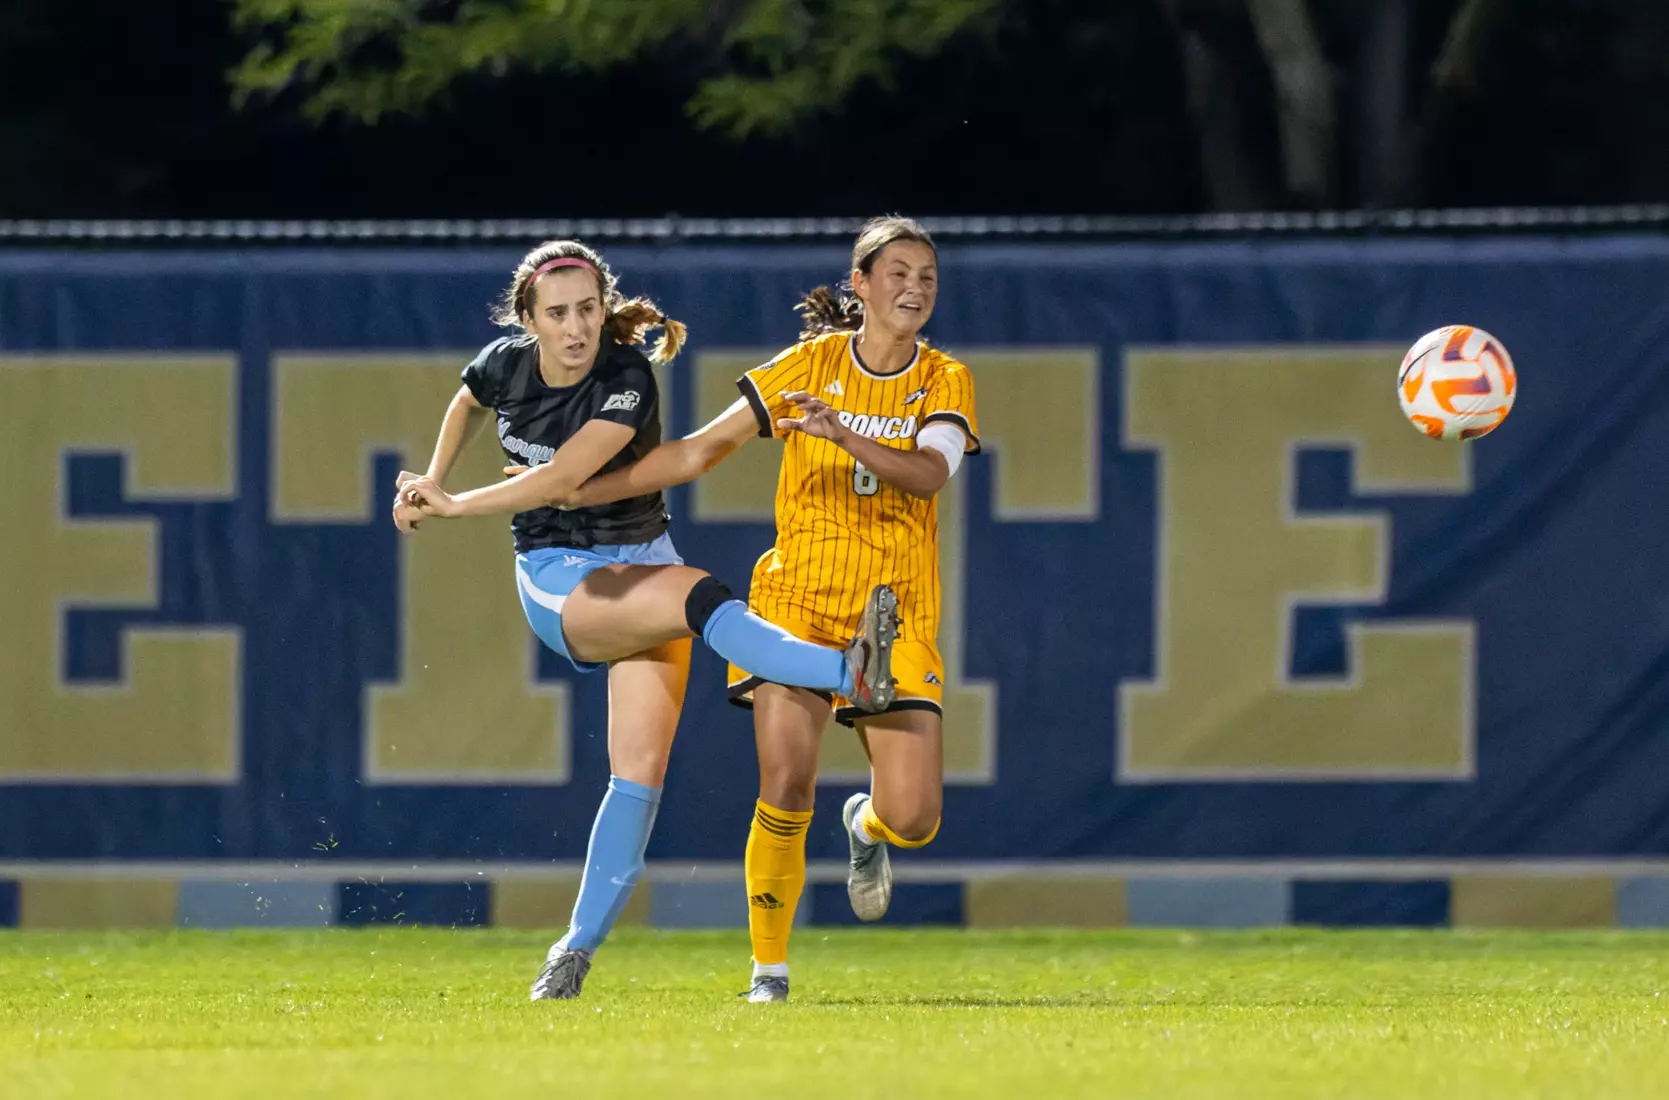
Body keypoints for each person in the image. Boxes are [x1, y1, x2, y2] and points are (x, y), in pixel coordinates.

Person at [392, 239, 900, 1002]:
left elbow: (565, 477)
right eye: (557, 314)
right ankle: (847, 674)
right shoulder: (503, 362)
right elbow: (470, 398)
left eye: (587, 310)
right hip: (559, 579)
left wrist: (453, 503)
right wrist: (435, 474)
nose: (575, 328)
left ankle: (571, 954)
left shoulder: (624, 375)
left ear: (604, 310)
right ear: (527, 320)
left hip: (638, 558)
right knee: (698, 596)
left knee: (637, 778)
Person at [545, 216, 978, 1003]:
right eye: (898, 274)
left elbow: (924, 476)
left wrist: (841, 433)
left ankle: (866, 828)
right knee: (785, 781)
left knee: (914, 817)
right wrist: (578, 488)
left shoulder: (943, 379)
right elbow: (697, 452)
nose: (914, 288)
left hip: (891, 614)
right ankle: (768, 973)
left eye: (927, 277)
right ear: (861, 285)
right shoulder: (806, 366)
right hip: (795, 602)